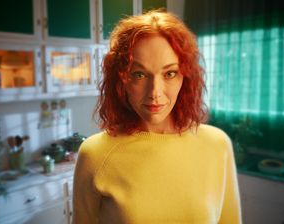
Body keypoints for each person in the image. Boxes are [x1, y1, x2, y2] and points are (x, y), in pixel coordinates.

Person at [73, 10, 242, 224]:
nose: (155, 92)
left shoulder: (217, 145)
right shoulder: (95, 154)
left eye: (169, 73)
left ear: (185, 77)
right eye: (139, 74)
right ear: (121, 79)